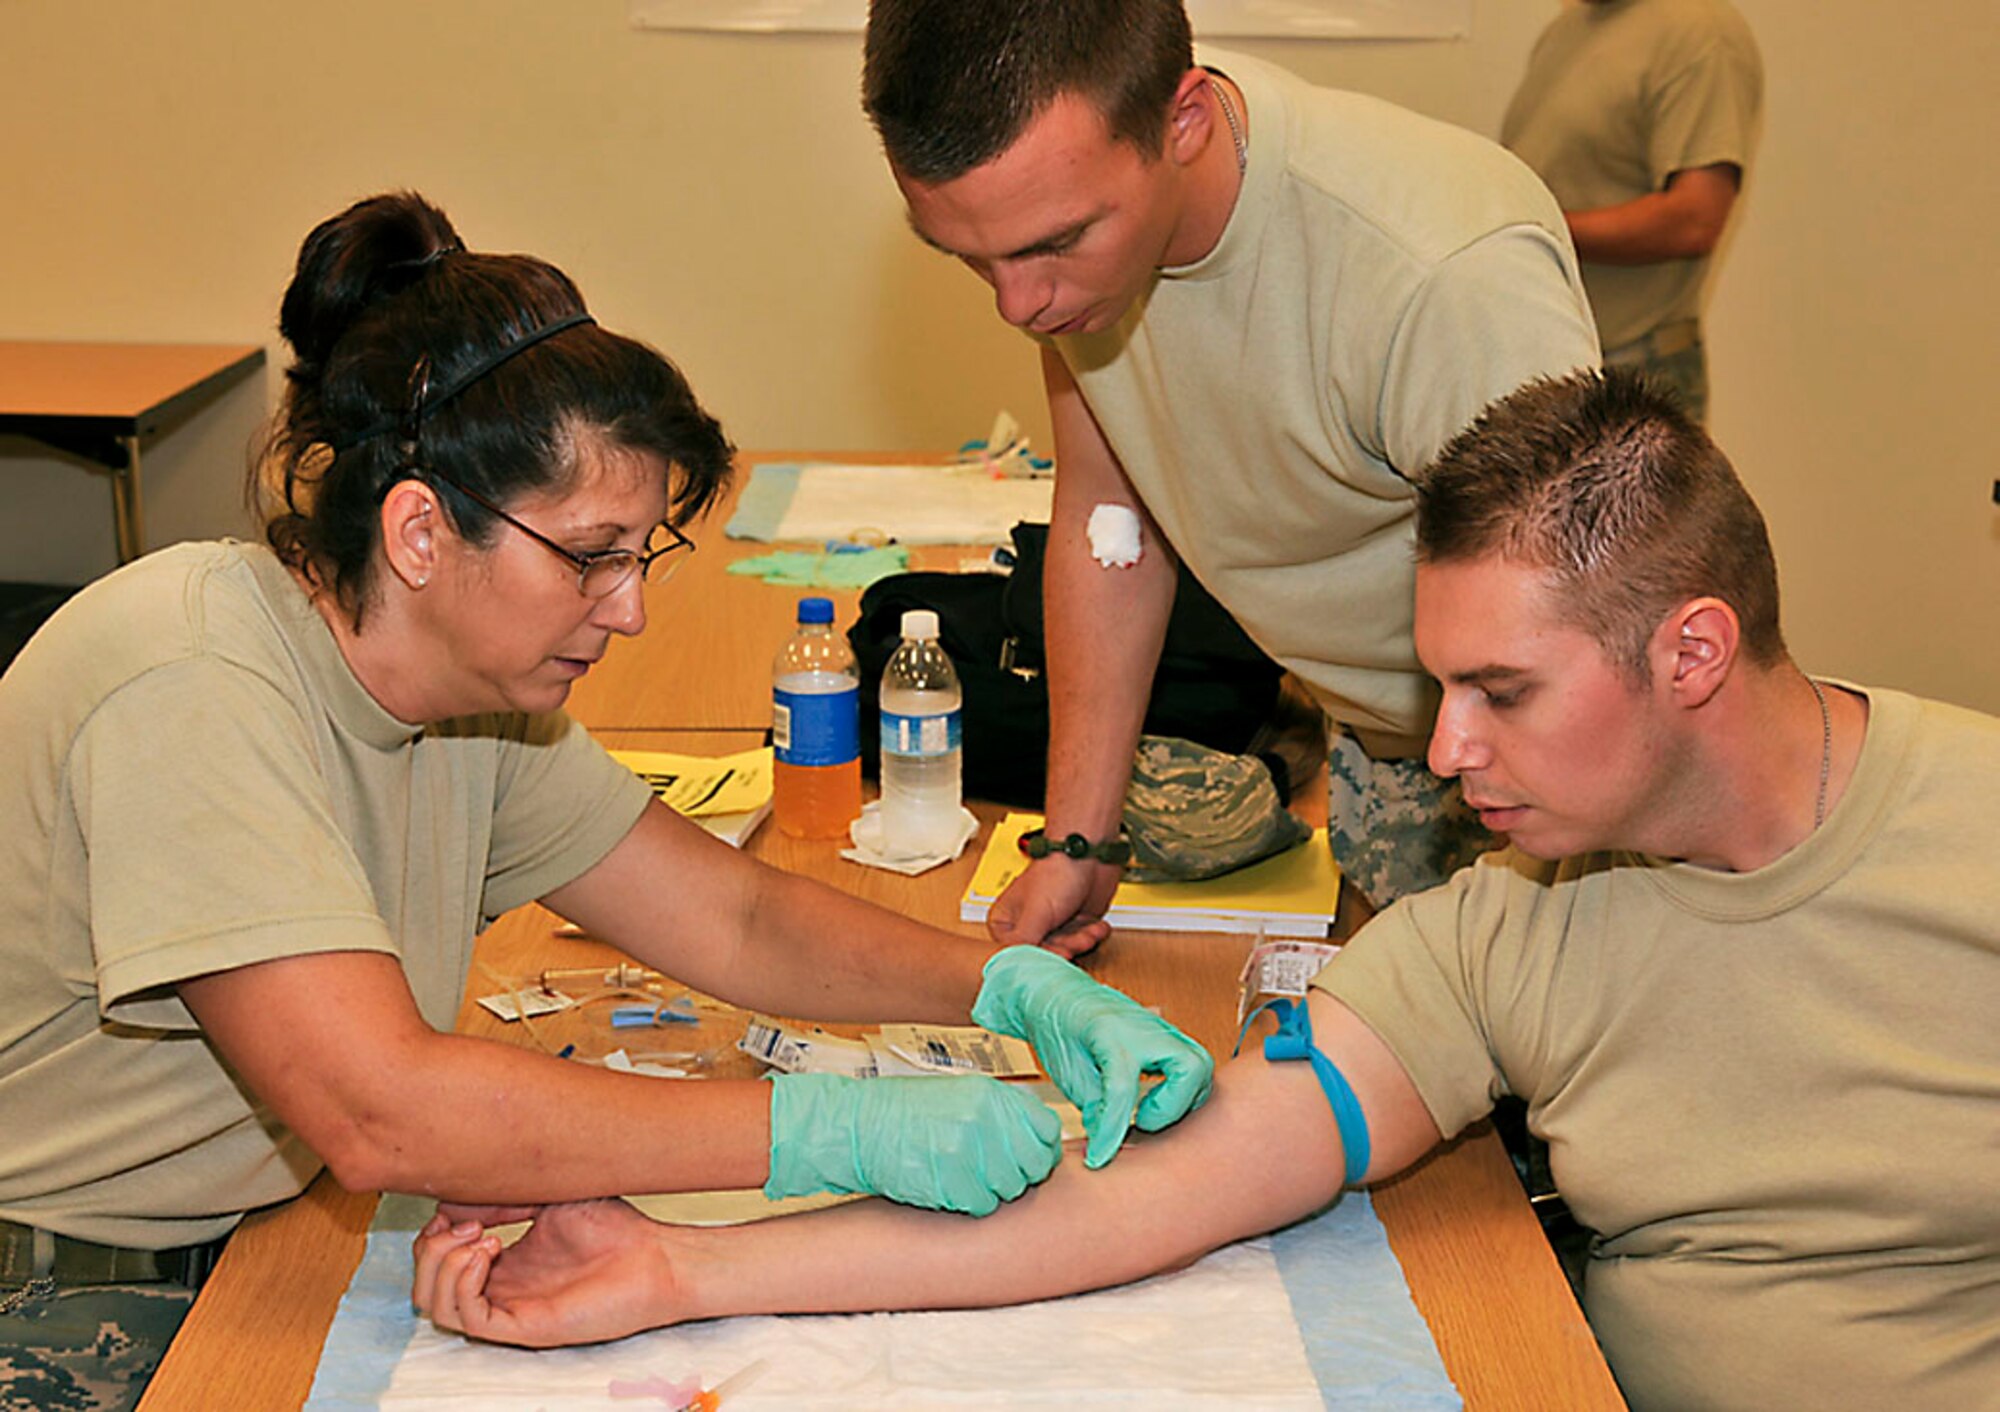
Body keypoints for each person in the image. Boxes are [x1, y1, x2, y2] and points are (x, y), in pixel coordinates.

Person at [413, 369, 2000, 1410]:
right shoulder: (1511, 928)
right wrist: (682, 1266)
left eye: (1502, 693)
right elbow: (1158, 1190)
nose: (1444, 753)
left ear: (1694, 653)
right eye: (1438, 686)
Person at [0, 191, 1212, 1409]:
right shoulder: (192, 681)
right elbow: (384, 1109)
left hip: (248, 1222)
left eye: (642, 555)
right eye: (591, 554)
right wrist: (835, 1131)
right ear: (420, 530)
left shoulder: (474, 695)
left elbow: (733, 918)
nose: (628, 608)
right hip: (62, 1273)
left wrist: (1004, 984)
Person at [862, 0, 1601, 934]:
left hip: (1552, 781)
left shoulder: (1439, 276)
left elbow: (1578, 636)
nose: (1019, 303)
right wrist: (1077, 842)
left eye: (1052, 244)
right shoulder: (1084, 214)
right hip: (1378, 743)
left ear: (1185, 122)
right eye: (972, 257)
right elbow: (1110, 520)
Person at [1503, 0, 1763, 422]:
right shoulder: (1569, 28)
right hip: (1549, 363)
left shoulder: (1700, 32)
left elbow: (1694, 220)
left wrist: (1536, 229)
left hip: (1632, 379)